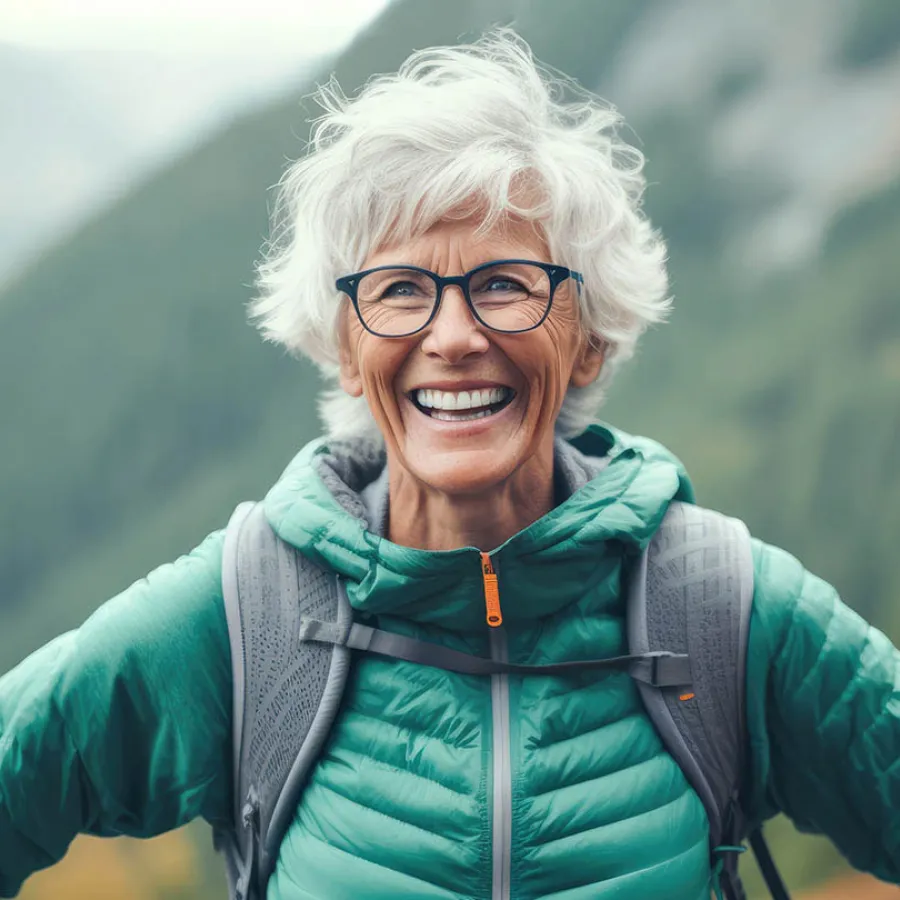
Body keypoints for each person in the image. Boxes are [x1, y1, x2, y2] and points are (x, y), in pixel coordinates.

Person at [1, 30, 898, 900]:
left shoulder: (724, 608)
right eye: (400, 291)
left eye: (506, 283)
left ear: (586, 340)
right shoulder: (247, 616)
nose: (456, 335)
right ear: (347, 351)